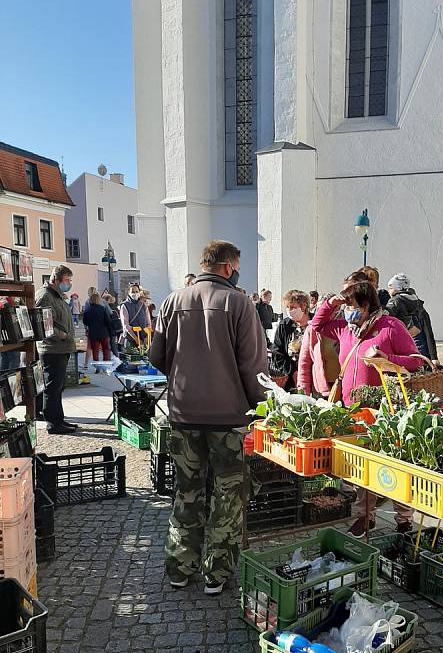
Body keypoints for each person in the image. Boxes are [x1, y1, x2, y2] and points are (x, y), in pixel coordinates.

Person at [149, 240, 267, 593]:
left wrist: (184, 374)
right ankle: (216, 573)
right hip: (229, 418)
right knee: (228, 496)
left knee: (186, 492)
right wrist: (261, 407)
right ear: (229, 267)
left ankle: (180, 568)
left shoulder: (173, 300)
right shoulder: (239, 303)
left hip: (183, 414)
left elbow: (156, 356)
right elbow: (254, 367)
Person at [312, 281, 422, 535]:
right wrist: (331, 304)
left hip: (386, 413)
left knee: (393, 466)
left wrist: (387, 360)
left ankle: (404, 520)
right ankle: (365, 516)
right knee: (362, 468)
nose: (347, 310)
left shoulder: (390, 326)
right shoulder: (346, 329)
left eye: (351, 305)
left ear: (366, 304)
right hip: (354, 410)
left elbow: (415, 362)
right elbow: (317, 326)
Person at [35, 265, 78, 434]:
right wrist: (62, 335)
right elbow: (44, 324)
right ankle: (53, 423)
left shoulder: (57, 295)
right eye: (67, 280)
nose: (69, 283)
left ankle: (58, 419)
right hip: (52, 349)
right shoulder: (45, 296)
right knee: (52, 388)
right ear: (56, 279)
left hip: (61, 348)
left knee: (58, 386)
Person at [386, 274, 440, 362]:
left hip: (406, 345)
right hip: (420, 347)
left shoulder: (395, 302)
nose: (389, 291)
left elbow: (386, 315)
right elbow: (428, 331)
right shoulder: (416, 304)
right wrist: (433, 357)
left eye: (390, 288)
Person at [270, 290, 311, 390]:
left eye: (293, 307)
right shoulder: (284, 325)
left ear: (303, 306)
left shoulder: (315, 323)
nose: (289, 310)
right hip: (292, 379)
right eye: (287, 307)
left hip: (313, 375)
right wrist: (292, 372)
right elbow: (277, 353)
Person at [120, 283, 151, 350]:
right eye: (133, 292)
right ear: (129, 292)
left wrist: (146, 337)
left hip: (143, 339)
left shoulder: (143, 305)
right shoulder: (124, 306)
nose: (135, 293)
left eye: (137, 291)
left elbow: (148, 322)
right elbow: (126, 326)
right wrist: (137, 339)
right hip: (130, 340)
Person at [82, 292, 112, 362]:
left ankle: (97, 366)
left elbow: (85, 322)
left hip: (93, 332)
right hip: (103, 332)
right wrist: (110, 331)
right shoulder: (102, 308)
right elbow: (107, 321)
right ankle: (106, 364)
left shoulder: (87, 310)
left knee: (95, 350)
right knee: (106, 349)